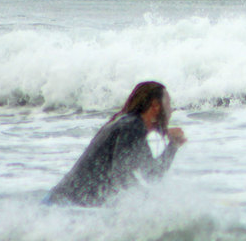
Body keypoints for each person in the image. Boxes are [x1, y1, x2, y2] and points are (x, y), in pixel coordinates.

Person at [46, 81, 187, 206]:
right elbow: (121, 174)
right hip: (66, 206)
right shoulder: (131, 127)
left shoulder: (131, 125)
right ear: (155, 106)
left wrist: (173, 146)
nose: (171, 110)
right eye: (168, 104)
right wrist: (145, 202)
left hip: (65, 203)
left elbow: (152, 173)